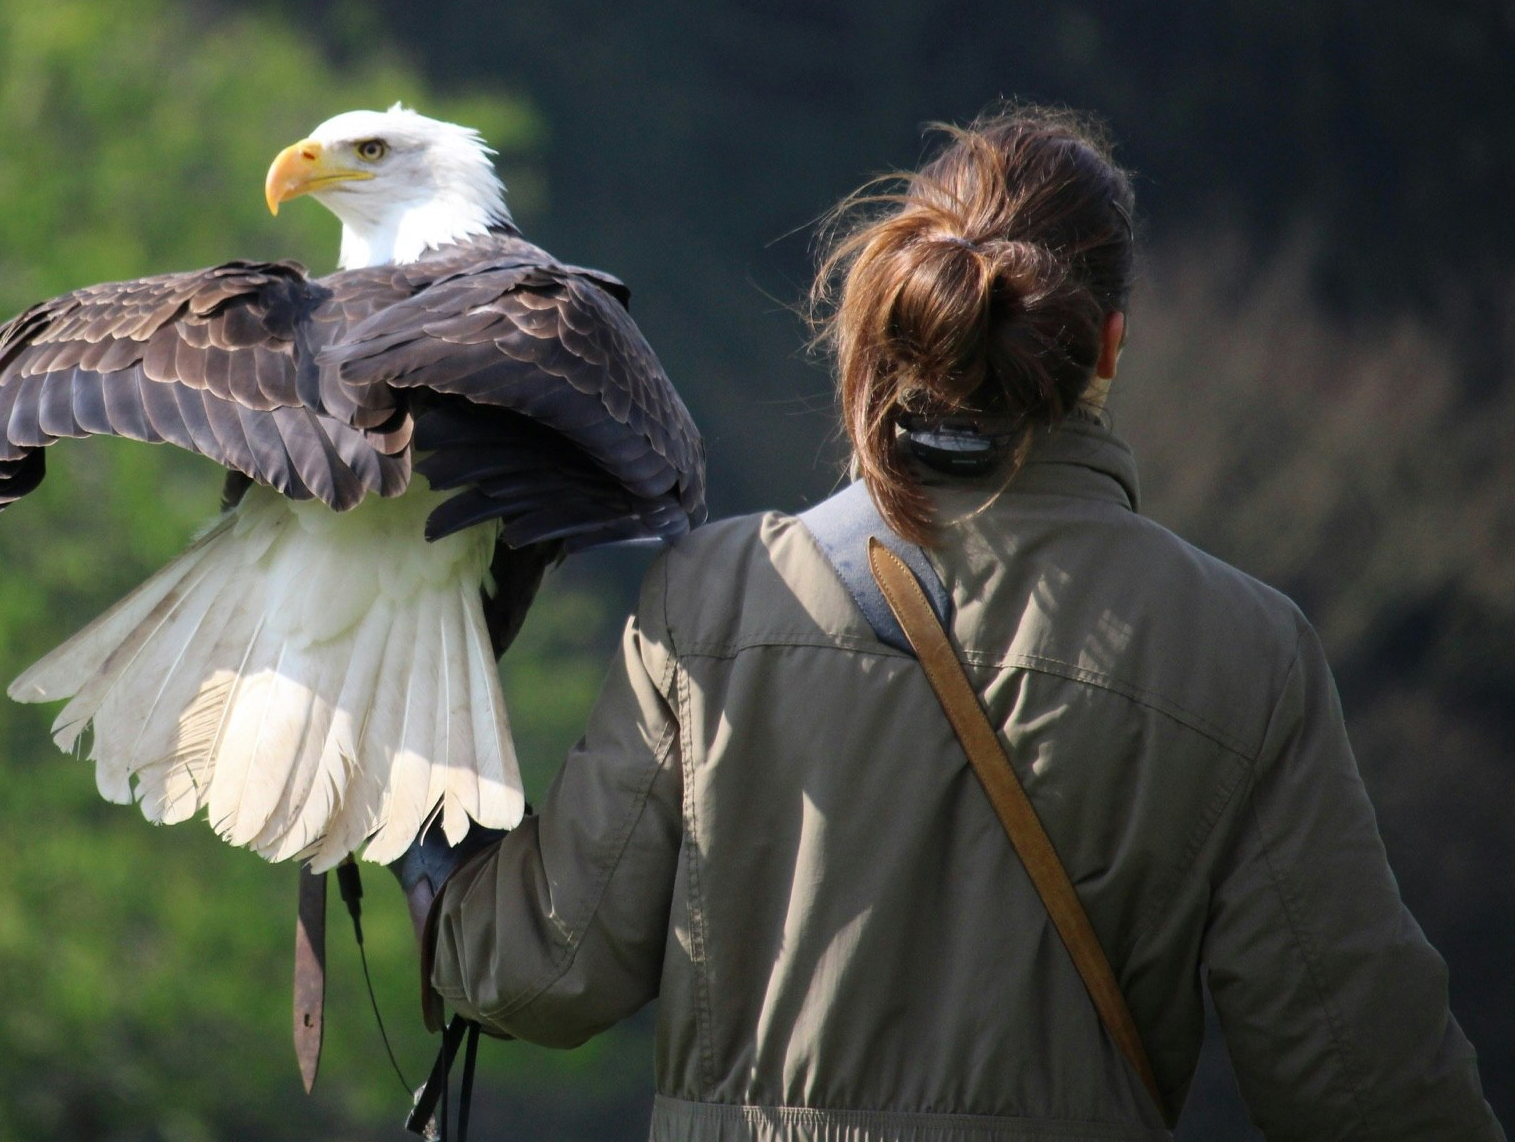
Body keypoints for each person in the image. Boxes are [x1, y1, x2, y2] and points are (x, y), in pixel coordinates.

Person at [395, 109, 1504, 1140]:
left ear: (905, 309)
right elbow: (1366, 1084)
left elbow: (546, 972)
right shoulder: (1243, 651)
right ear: (1107, 347)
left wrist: (395, 802)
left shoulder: (715, 595)